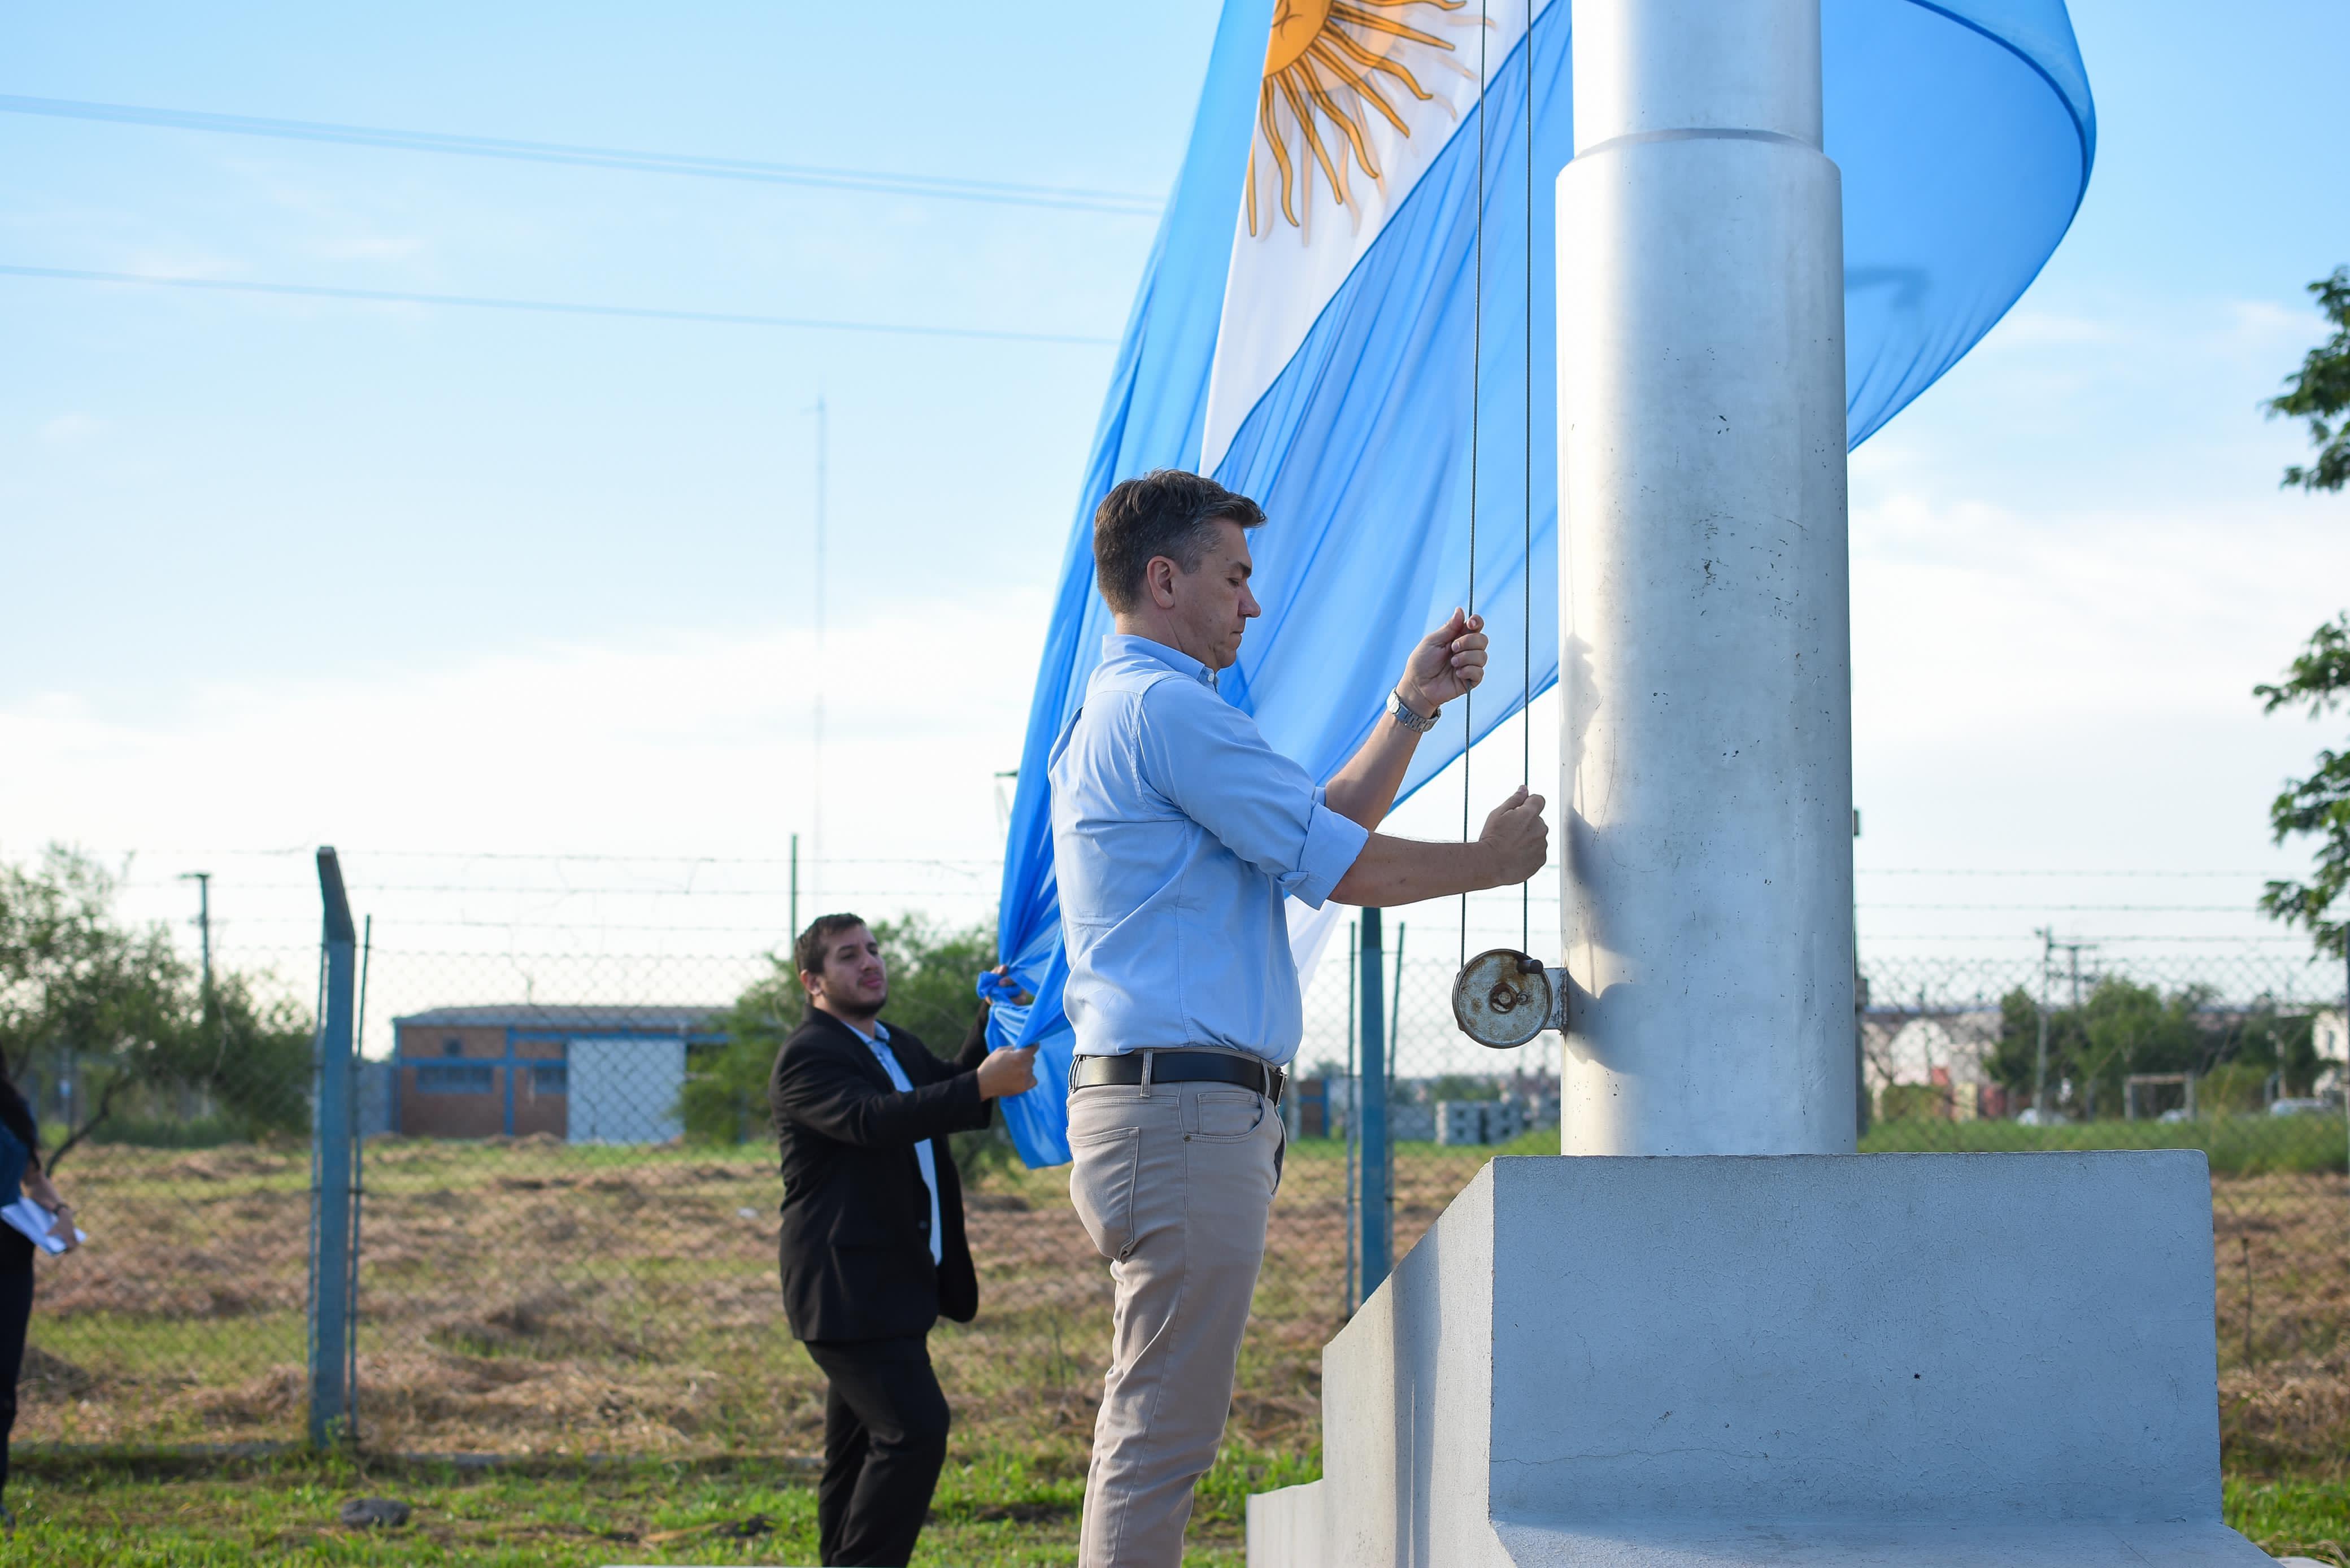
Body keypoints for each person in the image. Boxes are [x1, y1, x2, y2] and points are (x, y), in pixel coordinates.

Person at [1051, 469, 1549, 1567]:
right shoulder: (1167, 707)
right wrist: (1489, 863)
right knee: (1159, 1432)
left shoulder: (1140, 708)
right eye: (1236, 576)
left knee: (1158, 1419)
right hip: (1177, 1113)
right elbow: (1344, 866)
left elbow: (1310, 833)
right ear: (1166, 577)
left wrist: (1409, 708)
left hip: (1168, 1110)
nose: (1253, 602)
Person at [768, 913, 1039, 1567]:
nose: (868, 963)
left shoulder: (887, 1043)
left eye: (872, 949)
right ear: (812, 982)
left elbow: (946, 1085)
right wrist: (978, 1084)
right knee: (915, 1432)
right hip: (846, 1290)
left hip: (891, 1285)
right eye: (845, 957)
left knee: (857, 1452)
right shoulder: (810, 1055)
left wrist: (986, 1017)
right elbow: (870, 1119)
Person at [0, 1062, 76, 1532]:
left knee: (1, 1386)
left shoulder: (11, 1108)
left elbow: (34, 1179)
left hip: (8, 1263)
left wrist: (61, 1212)